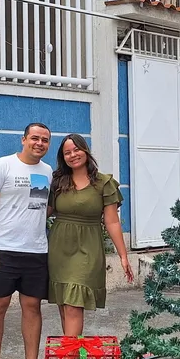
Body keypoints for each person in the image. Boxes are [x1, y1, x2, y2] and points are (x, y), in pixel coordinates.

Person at [0, 123, 53, 359]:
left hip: (36, 250)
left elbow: (42, 207)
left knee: (32, 307)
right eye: (35, 138)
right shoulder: (2, 166)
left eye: (45, 140)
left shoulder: (47, 172)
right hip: (4, 250)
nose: (40, 143)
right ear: (23, 139)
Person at [48, 134, 133, 340]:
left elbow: (112, 221)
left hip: (87, 249)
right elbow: (44, 212)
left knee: (74, 305)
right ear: (63, 157)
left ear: (86, 151)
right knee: (64, 305)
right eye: (67, 152)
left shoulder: (104, 183)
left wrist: (123, 255)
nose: (73, 155)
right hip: (59, 250)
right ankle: (72, 357)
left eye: (76, 150)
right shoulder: (58, 182)